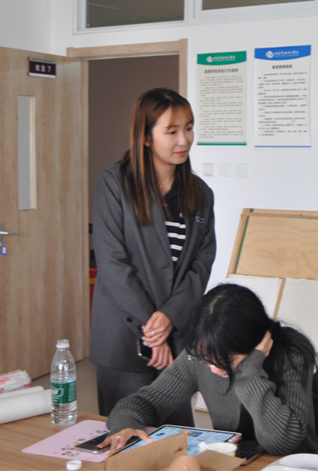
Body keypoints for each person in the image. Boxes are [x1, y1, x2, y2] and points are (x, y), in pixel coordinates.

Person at [91, 88, 216, 424]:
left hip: (176, 339)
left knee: (176, 436)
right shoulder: (115, 183)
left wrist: (169, 317)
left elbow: (201, 264)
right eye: (171, 131)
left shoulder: (200, 193)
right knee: (126, 435)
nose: (184, 140)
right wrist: (152, 329)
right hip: (122, 338)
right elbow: (113, 264)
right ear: (146, 137)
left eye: (188, 128)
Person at [100, 283, 318, 456]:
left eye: (226, 360)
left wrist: (249, 373)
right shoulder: (201, 352)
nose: (214, 368)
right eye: (207, 359)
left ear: (253, 344)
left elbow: (281, 444)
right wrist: (126, 423)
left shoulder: (291, 353)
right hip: (230, 462)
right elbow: (148, 401)